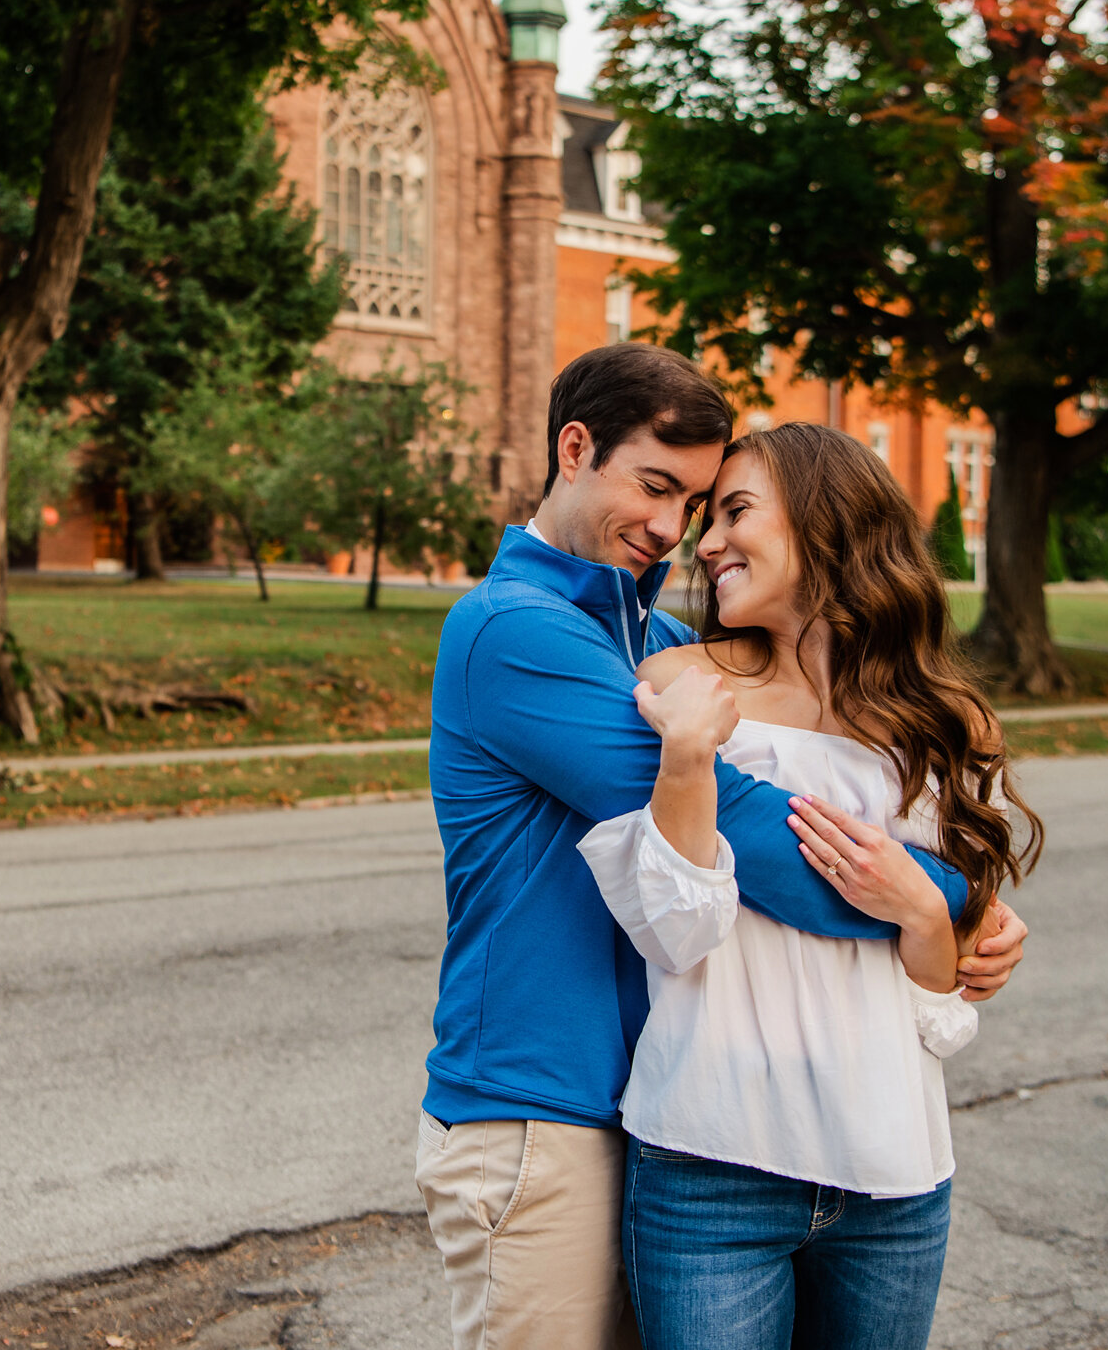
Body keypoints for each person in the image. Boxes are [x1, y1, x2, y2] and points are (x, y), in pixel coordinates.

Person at [418, 344, 1029, 1350]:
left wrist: (953, 910)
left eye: (697, 502)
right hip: (540, 1103)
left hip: (639, 1106)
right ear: (574, 449)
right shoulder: (515, 630)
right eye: (653, 486)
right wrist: (952, 903)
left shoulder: (649, 639)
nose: (674, 530)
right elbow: (763, 838)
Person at [575, 421, 1043, 1350]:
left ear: (829, 524)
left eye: (734, 511)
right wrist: (685, 761)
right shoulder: (684, 685)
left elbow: (941, 1014)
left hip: (896, 1176)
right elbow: (672, 932)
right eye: (707, 519)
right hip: (712, 1167)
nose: (705, 543)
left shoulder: (951, 728)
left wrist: (923, 910)